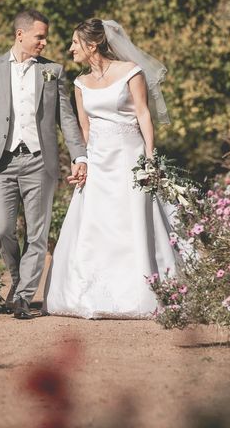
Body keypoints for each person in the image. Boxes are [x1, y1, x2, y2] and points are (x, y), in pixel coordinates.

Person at [43, 18, 176, 319]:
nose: (70, 48)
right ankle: (91, 294)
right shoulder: (79, 84)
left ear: (92, 45)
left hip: (130, 157)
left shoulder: (131, 71)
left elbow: (143, 115)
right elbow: (84, 129)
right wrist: (83, 162)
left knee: (132, 222)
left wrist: (150, 158)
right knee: (96, 224)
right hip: (99, 161)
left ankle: (144, 291)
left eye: (75, 43)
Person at [0, 9, 87, 320]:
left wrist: (80, 154)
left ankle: (23, 297)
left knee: (37, 234)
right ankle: (18, 281)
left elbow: (66, 117)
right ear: (20, 34)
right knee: (2, 229)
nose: (45, 42)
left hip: (40, 161)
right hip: (1, 162)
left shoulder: (53, 70)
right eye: (40, 36)